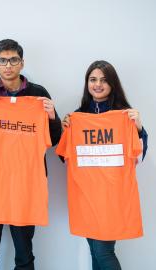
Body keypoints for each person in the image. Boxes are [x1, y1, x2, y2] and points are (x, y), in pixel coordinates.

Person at [0, 39, 62, 270]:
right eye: (3, 61)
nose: (8, 65)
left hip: (26, 186)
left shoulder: (38, 95)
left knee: (25, 254)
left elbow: (53, 139)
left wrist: (51, 117)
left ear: (22, 62)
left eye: (13, 60)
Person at [59, 60, 148, 270]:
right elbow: (65, 157)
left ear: (112, 84)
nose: (98, 84)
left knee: (103, 251)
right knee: (94, 250)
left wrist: (138, 128)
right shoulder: (78, 116)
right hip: (86, 195)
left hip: (112, 196)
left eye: (104, 80)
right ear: (87, 83)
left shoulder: (124, 115)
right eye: (93, 79)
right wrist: (67, 132)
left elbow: (138, 156)